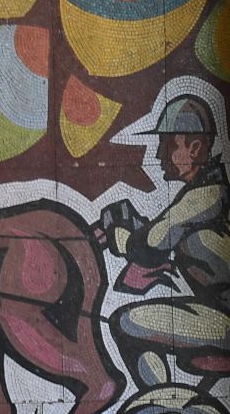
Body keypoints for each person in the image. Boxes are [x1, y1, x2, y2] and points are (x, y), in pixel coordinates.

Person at [97, 93, 226, 389]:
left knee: (126, 323)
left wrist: (120, 236)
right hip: (219, 315)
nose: (158, 155)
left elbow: (150, 247)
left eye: (167, 144)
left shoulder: (207, 197)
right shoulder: (200, 195)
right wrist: (134, 227)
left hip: (225, 321)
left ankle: (166, 406)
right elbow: (163, 232)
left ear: (194, 147)